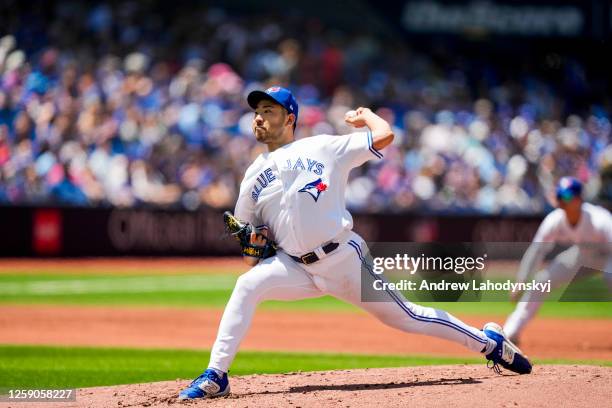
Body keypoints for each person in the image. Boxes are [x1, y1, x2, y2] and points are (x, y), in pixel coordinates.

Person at [179, 86, 532, 400]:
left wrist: (366, 116)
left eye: (267, 111)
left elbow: (385, 136)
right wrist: (252, 247)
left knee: (408, 317)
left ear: (290, 118)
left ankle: (488, 342)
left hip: (342, 259)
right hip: (295, 266)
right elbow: (249, 247)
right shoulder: (253, 174)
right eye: (256, 112)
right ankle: (216, 375)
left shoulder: (323, 146)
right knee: (247, 285)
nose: (258, 118)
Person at [503, 177, 612, 343]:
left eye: (566, 196)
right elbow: (537, 251)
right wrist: (521, 281)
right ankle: (511, 331)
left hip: (608, 256)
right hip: (583, 255)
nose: (562, 200)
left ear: (579, 199)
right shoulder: (555, 219)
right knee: (542, 281)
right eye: (559, 196)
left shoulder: (600, 220)